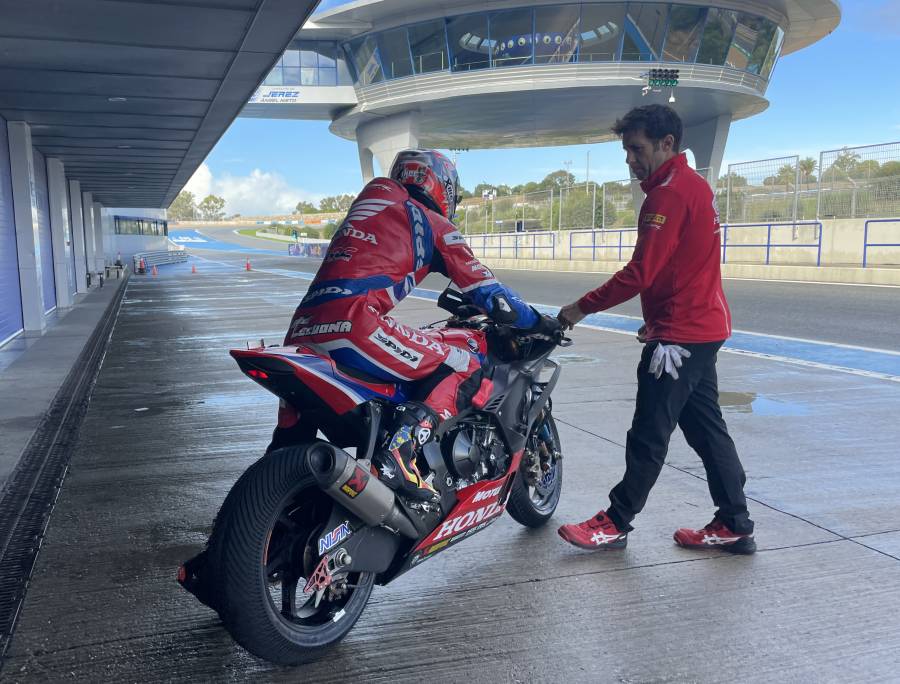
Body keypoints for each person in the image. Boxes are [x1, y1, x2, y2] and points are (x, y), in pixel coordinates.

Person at [274, 149, 550, 502]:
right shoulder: (433, 224)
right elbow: (491, 295)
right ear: (443, 187)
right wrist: (537, 320)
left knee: (286, 441)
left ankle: (255, 512)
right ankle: (400, 456)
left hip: (300, 328)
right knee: (466, 363)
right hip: (355, 324)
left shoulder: (368, 206)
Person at [556, 105, 755, 554]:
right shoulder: (695, 185)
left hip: (679, 338)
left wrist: (578, 308)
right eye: (626, 149)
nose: (630, 158)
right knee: (707, 432)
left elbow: (640, 272)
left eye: (637, 148)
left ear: (667, 144)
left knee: (649, 432)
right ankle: (735, 523)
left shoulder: (667, 194)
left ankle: (616, 521)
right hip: (703, 327)